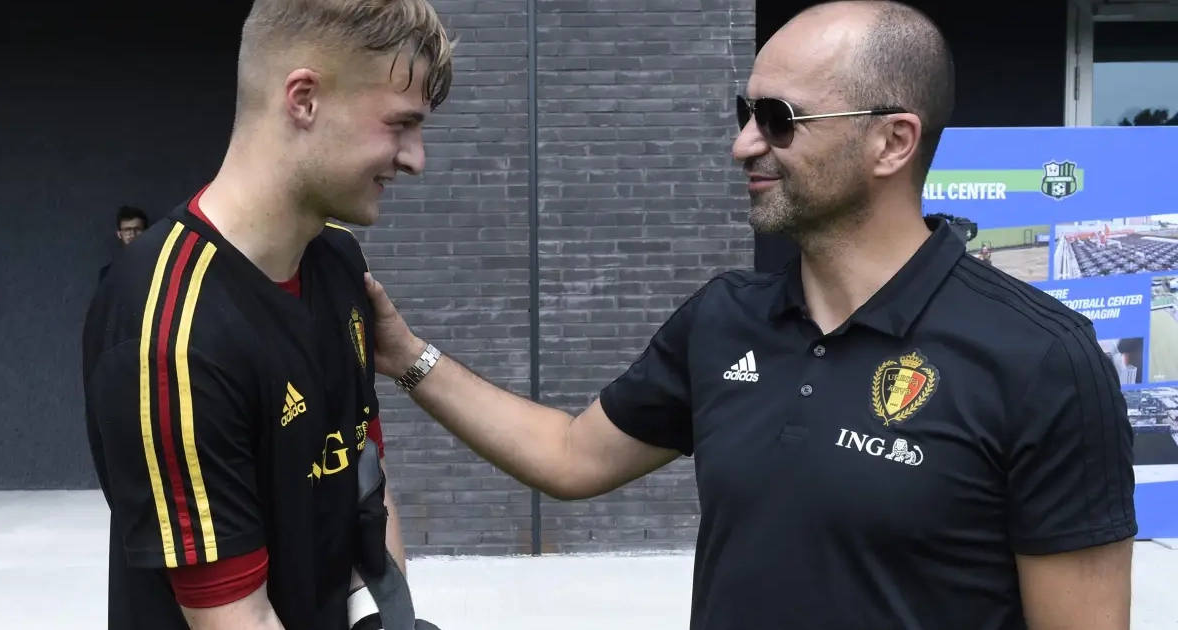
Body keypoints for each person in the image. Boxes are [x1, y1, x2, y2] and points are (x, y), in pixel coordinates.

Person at [361, 2, 1137, 629]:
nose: (743, 144)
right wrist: (407, 355)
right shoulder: (725, 319)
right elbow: (569, 456)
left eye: (778, 118)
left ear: (892, 142)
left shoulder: (1041, 359)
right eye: (746, 111)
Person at [81, 1, 453, 629]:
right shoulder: (170, 327)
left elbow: (363, 476)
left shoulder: (338, 260)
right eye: (400, 124)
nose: (416, 158)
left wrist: (380, 619)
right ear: (304, 100)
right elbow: (240, 617)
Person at [98, 205, 150, 282]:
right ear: (119, 234)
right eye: (127, 230)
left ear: (147, 232)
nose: (133, 234)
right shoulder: (108, 273)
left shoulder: (159, 267)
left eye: (137, 229)